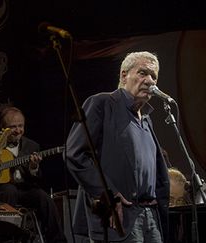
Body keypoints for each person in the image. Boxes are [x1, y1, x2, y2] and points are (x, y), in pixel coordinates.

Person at [66, 51, 170, 243]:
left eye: (154, 76)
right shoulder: (102, 104)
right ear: (124, 75)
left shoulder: (147, 120)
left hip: (150, 216)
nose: (149, 80)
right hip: (120, 218)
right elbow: (75, 154)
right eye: (142, 73)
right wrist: (108, 195)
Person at [0, 106, 67, 243]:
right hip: (0, 190)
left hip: (24, 189)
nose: (18, 130)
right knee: (9, 190)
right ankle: (7, 239)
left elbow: (36, 180)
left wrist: (33, 168)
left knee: (44, 197)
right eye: (13, 127)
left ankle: (58, 240)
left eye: (21, 126)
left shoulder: (32, 146)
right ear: (2, 127)